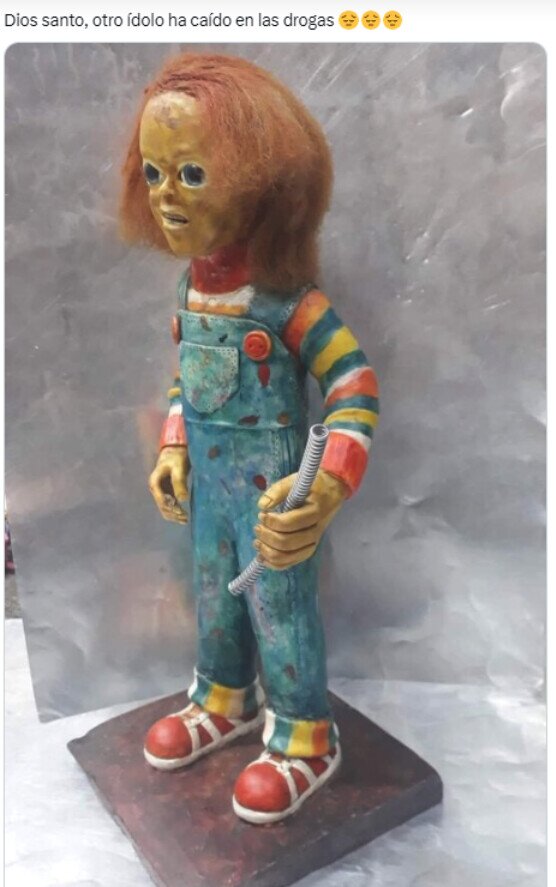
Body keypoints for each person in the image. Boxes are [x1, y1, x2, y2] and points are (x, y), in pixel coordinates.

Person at [120, 52, 379, 824]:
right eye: (156, 172)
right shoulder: (189, 288)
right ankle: (222, 696)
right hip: (208, 490)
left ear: (269, 181)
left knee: (280, 605)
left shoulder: (289, 304)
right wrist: (173, 446)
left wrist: (325, 487)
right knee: (213, 597)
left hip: (274, 498)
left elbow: (353, 382)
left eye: (193, 174)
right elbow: (186, 378)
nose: (167, 195)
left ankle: (304, 733)